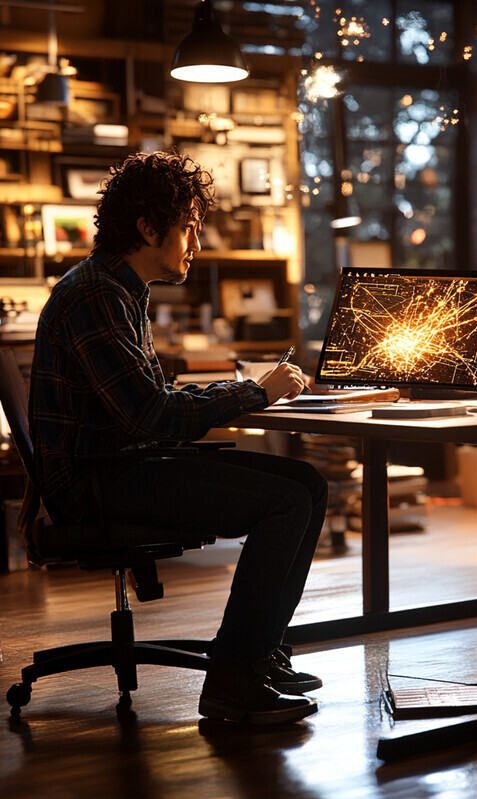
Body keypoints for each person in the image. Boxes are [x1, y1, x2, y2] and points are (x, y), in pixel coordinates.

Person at [29, 151, 328, 725]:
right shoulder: (96, 296)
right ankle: (233, 678)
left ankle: (260, 653)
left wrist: (240, 388)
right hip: (99, 480)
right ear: (148, 228)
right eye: (190, 228)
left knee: (308, 484)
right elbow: (150, 416)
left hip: (119, 464)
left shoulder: (119, 291)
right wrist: (253, 393)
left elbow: (152, 402)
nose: (196, 243)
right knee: (286, 500)